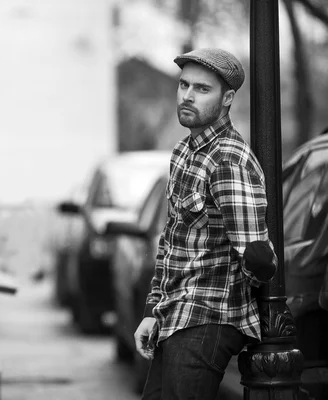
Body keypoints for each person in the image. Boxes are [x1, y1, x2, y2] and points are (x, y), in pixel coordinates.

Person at [133, 48, 278, 400]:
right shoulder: (183, 152)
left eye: (202, 89)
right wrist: (154, 311)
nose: (187, 95)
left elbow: (257, 257)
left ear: (227, 99)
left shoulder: (227, 160)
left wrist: (250, 275)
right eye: (183, 85)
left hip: (209, 319)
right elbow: (171, 243)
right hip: (178, 315)